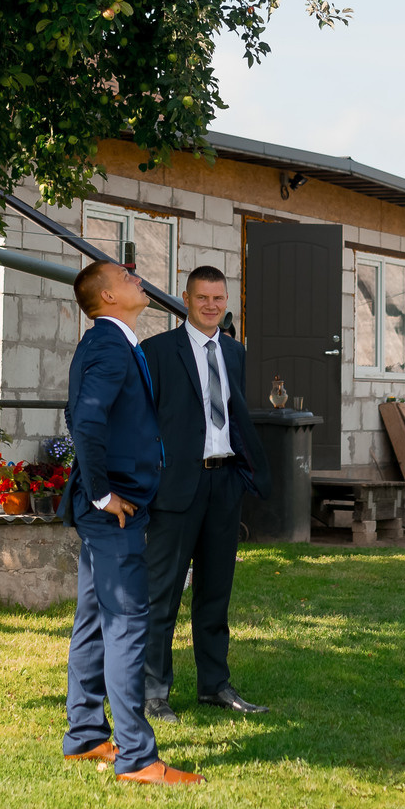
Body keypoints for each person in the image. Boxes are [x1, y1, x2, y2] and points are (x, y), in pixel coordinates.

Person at [60, 260, 201, 785]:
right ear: (107, 297)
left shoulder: (111, 342)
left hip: (110, 505)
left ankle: (85, 735)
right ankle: (138, 758)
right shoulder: (108, 345)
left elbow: (85, 415)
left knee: (94, 618)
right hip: (112, 511)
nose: (137, 279)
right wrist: (102, 494)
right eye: (125, 277)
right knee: (126, 624)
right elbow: (85, 420)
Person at [141, 265, 270, 722]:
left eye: (218, 298)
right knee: (162, 595)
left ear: (226, 300)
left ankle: (214, 685)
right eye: (202, 298)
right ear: (186, 299)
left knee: (215, 593)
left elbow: (236, 415)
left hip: (223, 483)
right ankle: (153, 692)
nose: (211, 306)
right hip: (175, 488)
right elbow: (142, 421)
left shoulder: (235, 352)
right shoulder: (157, 351)